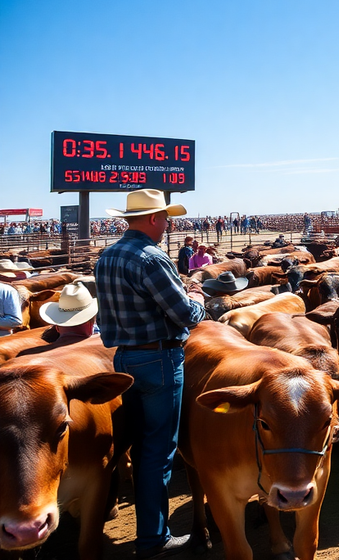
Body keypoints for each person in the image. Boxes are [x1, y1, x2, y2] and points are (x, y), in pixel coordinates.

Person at [94, 189, 206, 558]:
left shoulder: (107, 255)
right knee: (159, 450)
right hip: (159, 359)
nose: (168, 224)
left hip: (124, 358)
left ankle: (146, 529)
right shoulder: (151, 258)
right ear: (154, 219)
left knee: (141, 445)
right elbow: (184, 314)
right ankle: (153, 539)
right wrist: (198, 299)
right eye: (165, 218)